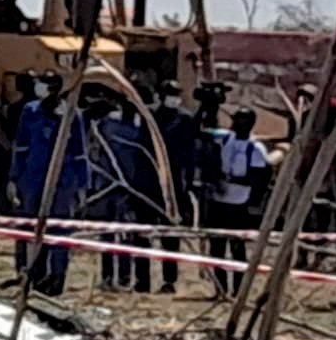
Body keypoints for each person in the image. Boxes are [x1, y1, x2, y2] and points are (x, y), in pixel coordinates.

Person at [10, 71, 87, 295]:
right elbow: (21, 147)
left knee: (59, 230)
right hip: (31, 180)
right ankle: (29, 273)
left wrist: (82, 186)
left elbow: (80, 152)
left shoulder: (71, 114)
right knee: (28, 228)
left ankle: (56, 277)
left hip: (62, 182)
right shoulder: (30, 111)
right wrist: (14, 179)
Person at [89, 93, 155, 293]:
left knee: (126, 234)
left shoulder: (139, 129)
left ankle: (125, 276)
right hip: (107, 185)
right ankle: (107, 275)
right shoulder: (108, 124)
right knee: (107, 233)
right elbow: (95, 147)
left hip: (129, 188)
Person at [205, 106, 271, 299]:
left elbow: (257, 178)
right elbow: (203, 131)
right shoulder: (226, 138)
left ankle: (238, 290)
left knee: (237, 248)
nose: (235, 123)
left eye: (240, 120)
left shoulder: (256, 149)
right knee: (216, 247)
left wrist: (231, 180)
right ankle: (220, 289)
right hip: (219, 199)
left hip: (238, 202)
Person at [150, 80, 200, 293]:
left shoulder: (185, 119)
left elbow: (190, 153)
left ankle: (169, 279)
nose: (174, 98)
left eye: (176, 94)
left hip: (175, 183)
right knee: (141, 230)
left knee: (171, 233)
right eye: (170, 93)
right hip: (150, 179)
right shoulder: (151, 116)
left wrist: (189, 182)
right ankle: (140, 280)